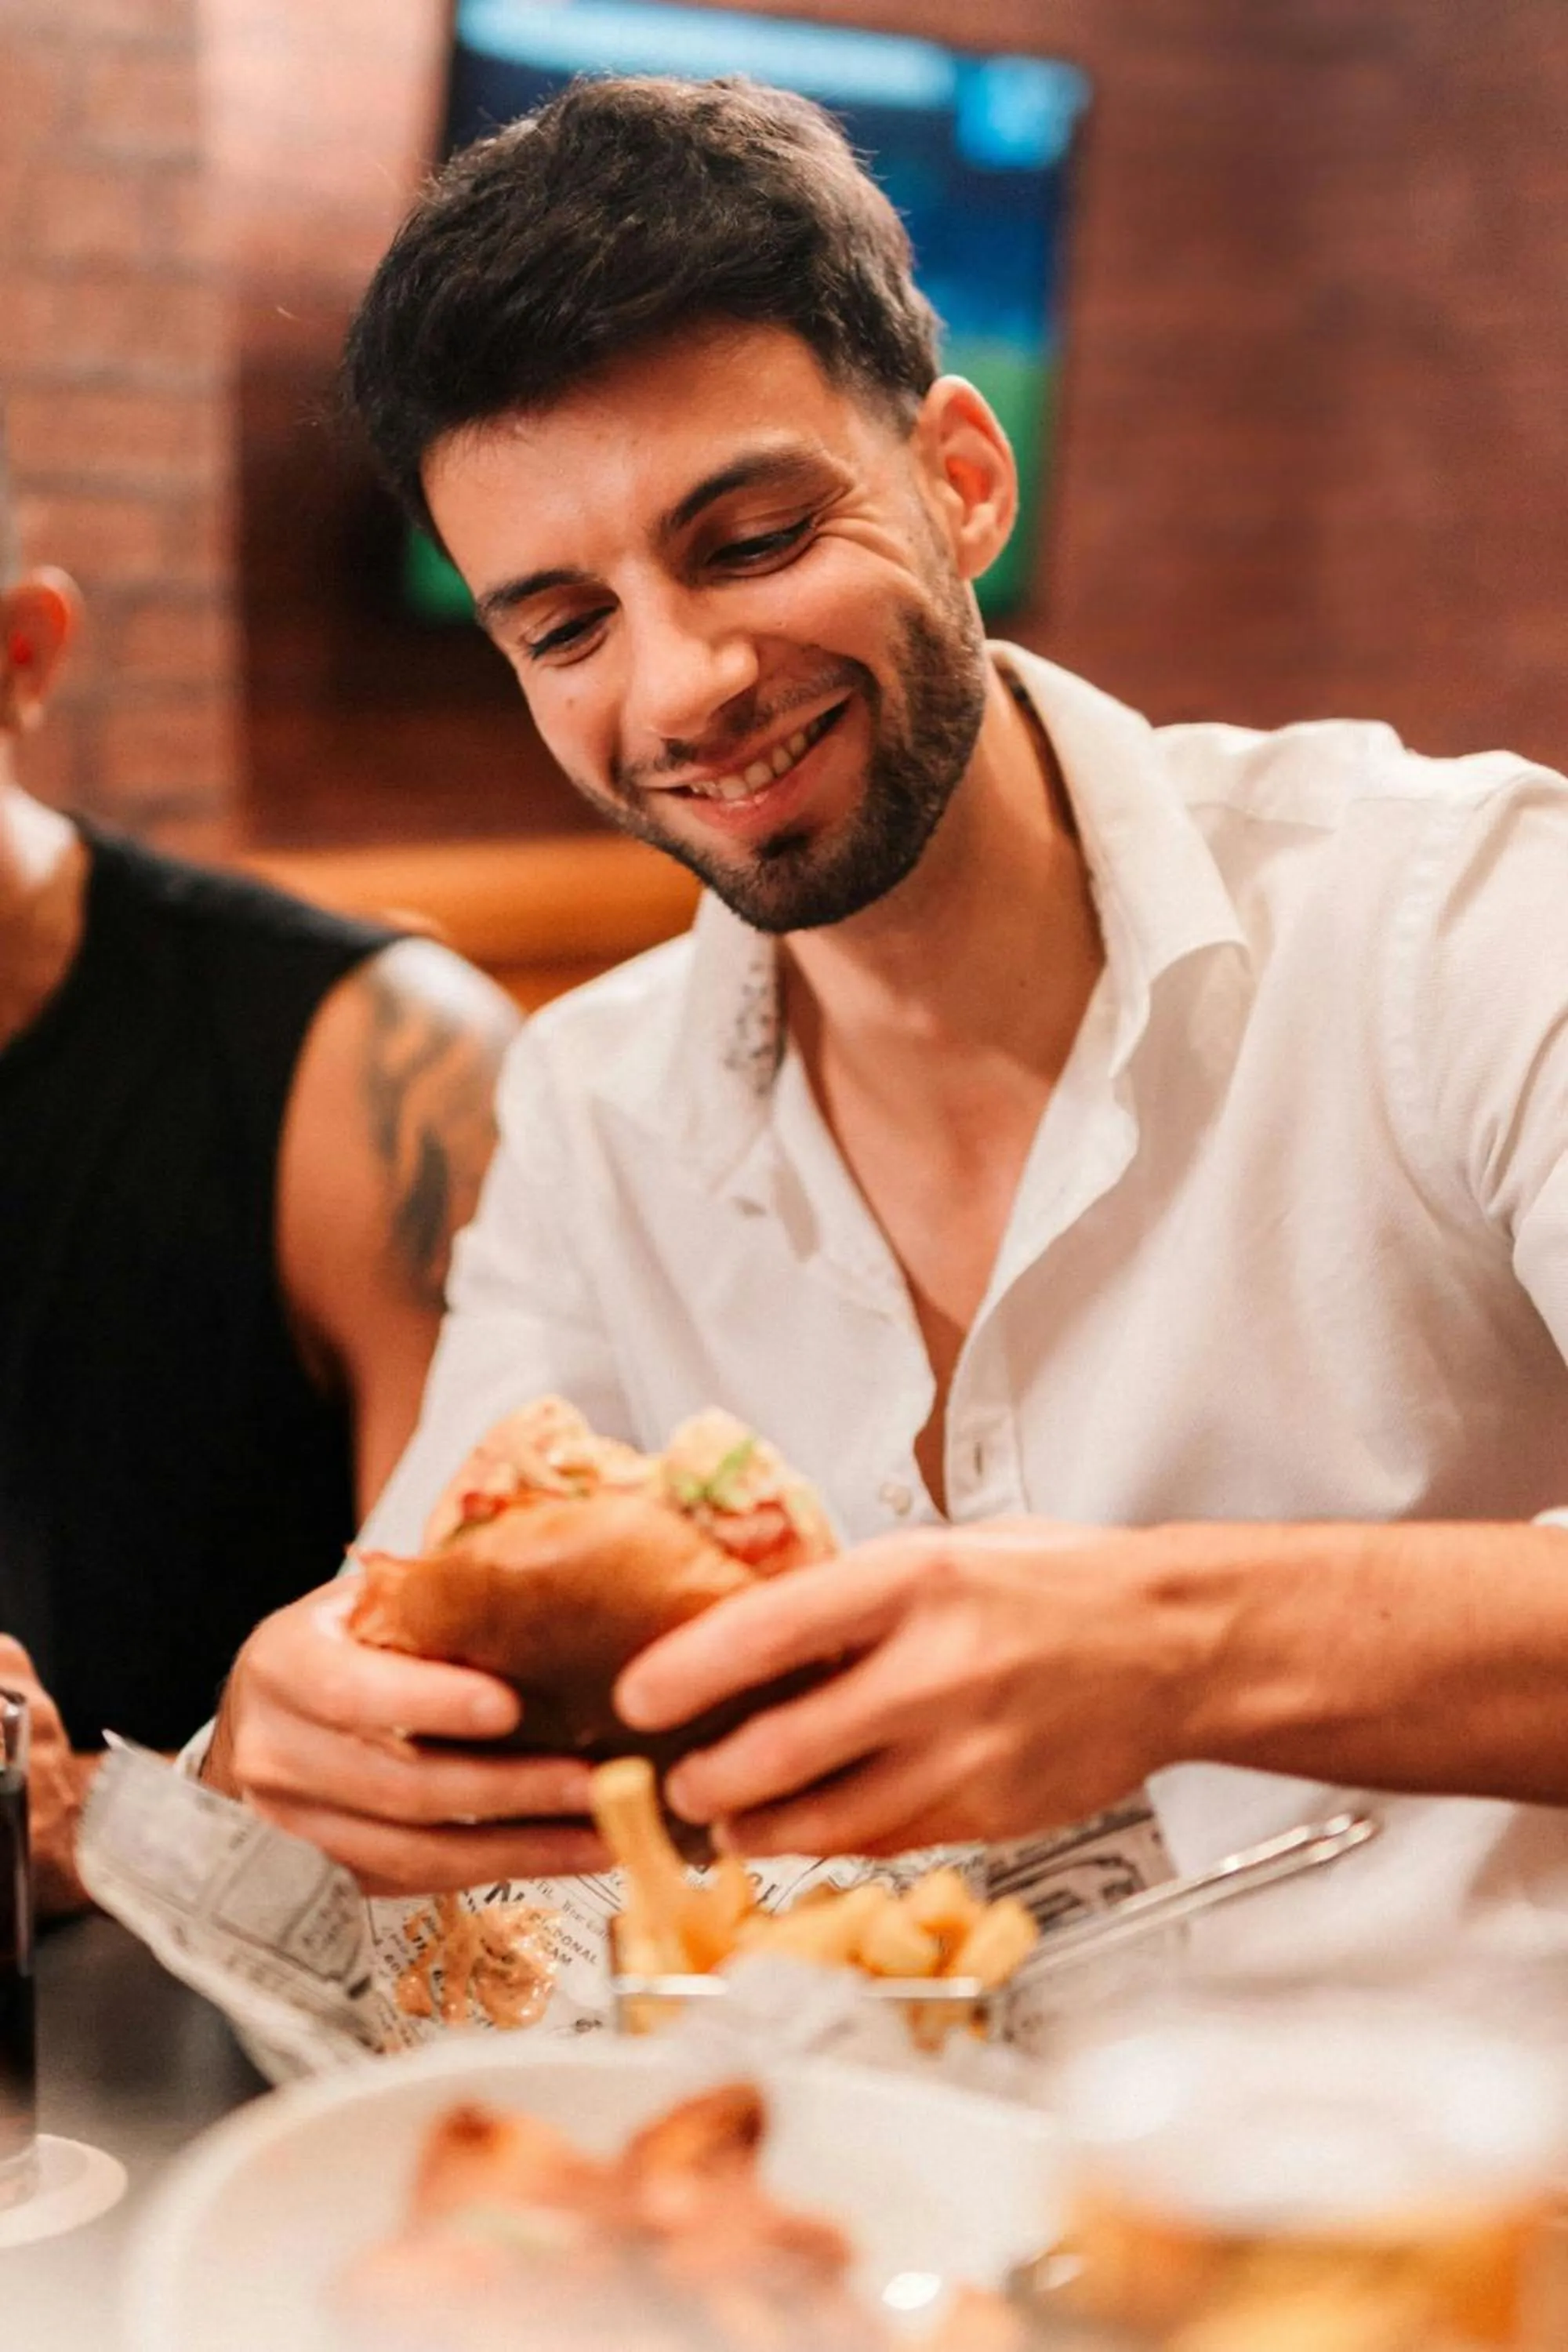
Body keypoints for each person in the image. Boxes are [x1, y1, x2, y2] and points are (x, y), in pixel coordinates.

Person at [204, 77, 1568, 1969]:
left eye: (750, 538)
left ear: (961, 479)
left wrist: (1176, 1651)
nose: (682, 688)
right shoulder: (593, 1106)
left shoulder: (1461, 917)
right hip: (847, 2209)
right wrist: (291, 1753)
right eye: (564, 627)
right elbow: (424, 1650)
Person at [0, 423, 518, 1911]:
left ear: (25, 653)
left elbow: (490, 1758)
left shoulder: (374, 1068)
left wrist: (87, 1823)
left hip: (235, 2060)